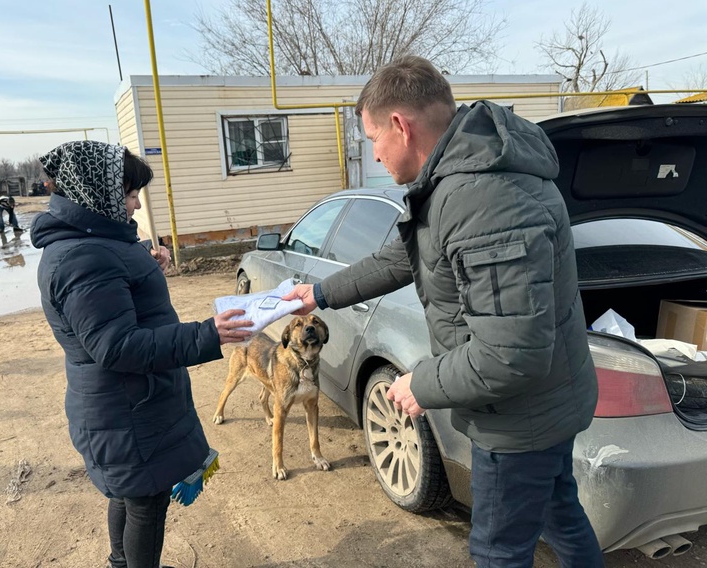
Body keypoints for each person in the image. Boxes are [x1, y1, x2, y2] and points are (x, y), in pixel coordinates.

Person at [283, 56, 602, 567]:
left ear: (400, 126)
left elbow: (510, 353)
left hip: (518, 422)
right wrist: (319, 295)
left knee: (498, 551)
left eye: (373, 140)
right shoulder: (460, 179)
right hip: (543, 407)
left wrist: (420, 383)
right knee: (560, 513)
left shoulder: (483, 197)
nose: (376, 154)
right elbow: (404, 255)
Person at [31, 140, 253, 568]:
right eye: (129, 193)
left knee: (128, 493)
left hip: (128, 405)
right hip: (127, 411)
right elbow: (117, 345)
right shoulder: (84, 257)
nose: (135, 204)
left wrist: (149, 267)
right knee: (145, 502)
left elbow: (117, 296)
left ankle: (121, 563)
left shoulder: (96, 239)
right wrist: (208, 335)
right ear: (98, 193)